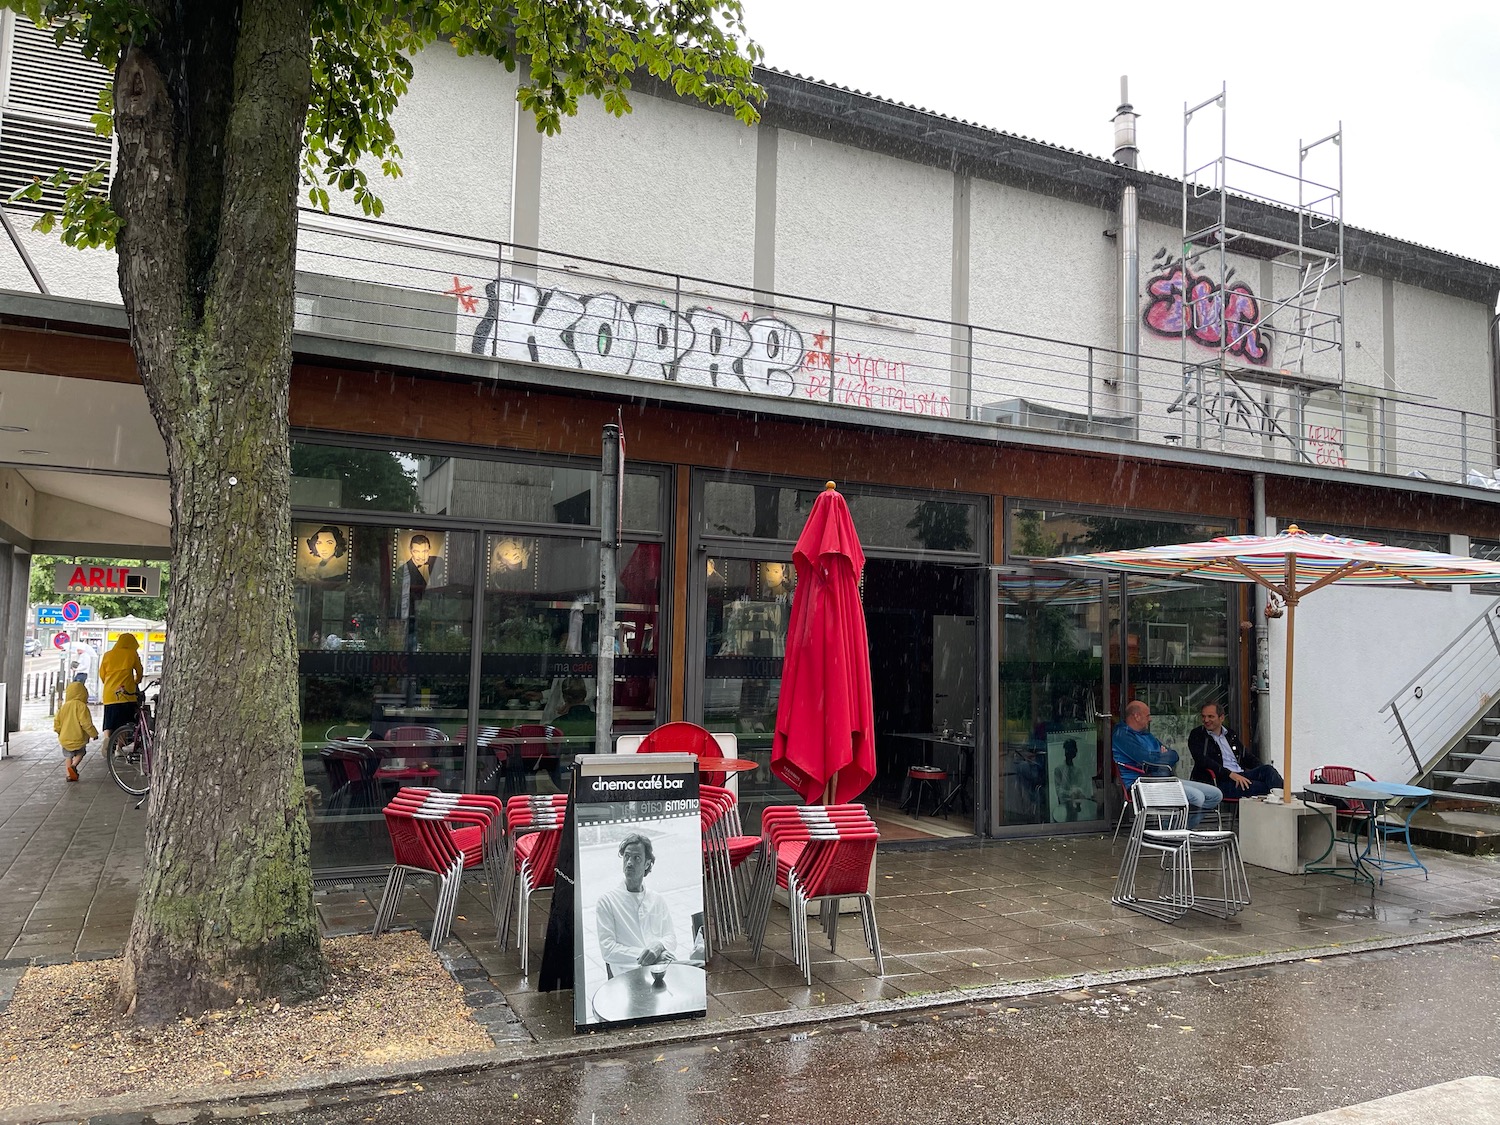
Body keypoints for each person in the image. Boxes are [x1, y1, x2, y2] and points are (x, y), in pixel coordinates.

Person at [1112, 699, 1222, 829]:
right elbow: (1147, 760)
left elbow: (1174, 755)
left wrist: (1159, 758)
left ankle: (1175, 829)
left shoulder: (1146, 735)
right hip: (1142, 784)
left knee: (1215, 795)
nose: (1150, 719)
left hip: (1163, 779)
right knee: (1197, 797)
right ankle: (1171, 833)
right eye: (1148, 715)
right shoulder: (1122, 735)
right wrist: (1159, 756)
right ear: (1136, 716)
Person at [595, 832, 677, 977]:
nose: (629, 863)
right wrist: (648, 955)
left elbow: (670, 937)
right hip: (627, 974)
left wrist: (659, 946)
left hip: (660, 969)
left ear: (647, 864)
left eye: (636, 858)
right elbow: (608, 949)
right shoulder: (607, 902)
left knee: (695, 970)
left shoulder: (657, 899)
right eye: (626, 856)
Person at [1189, 701, 1283, 798]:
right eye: (1203, 716)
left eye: (1210, 716)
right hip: (1219, 781)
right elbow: (1203, 760)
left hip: (1240, 775)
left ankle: (1283, 798)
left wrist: (1260, 771)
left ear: (1221, 718)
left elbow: (1246, 756)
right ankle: (1283, 802)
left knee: (1268, 770)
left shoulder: (1230, 734)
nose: (1206, 720)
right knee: (1264, 788)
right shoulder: (1197, 735)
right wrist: (1230, 774)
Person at [98, 633, 143, 749]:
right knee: (124, 722)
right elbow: (139, 671)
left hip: (109, 694)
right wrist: (136, 681)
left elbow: (102, 674)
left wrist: (109, 684)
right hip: (126, 693)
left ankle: (107, 739)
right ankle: (119, 747)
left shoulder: (108, 655)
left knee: (109, 720)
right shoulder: (132, 654)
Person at [53, 679, 98, 782]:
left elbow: (57, 721)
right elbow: (86, 723)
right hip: (78, 737)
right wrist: (93, 734)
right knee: (80, 753)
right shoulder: (82, 707)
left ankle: (69, 775)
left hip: (65, 738)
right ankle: (74, 765)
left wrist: (59, 731)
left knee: (68, 756)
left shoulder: (64, 707)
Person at [1052, 738, 1093, 822]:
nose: (1069, 752)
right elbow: (1059, 791)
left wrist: (1078, 792)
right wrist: (1070, 793)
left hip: (1078, 804)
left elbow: (1084, 790)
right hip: (1064, 805)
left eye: (1072, 749)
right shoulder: (1059, 769)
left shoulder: (1079, 770)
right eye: (1067, 749)